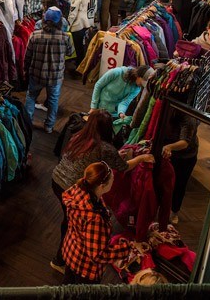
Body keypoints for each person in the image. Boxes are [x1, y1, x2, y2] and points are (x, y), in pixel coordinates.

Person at [50, 110, 154, 273]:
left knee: (69, 220)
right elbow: (124, 167)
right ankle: (61, 259)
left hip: (56, 180)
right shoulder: (105, 147)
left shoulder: (79, 136)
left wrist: (115, 156)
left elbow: (91, 158)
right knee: (71, 223)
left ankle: (64, 256)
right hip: (71, 186)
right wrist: (141, 158)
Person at [62, 161, 132, 284]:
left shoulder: (79, 188)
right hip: (85, 266)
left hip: (71, 251)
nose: (114, 180)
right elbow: (97, 255)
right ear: (101, 186)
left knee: (67, 289)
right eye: (112, 179)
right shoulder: (95, 218)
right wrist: (127, 248)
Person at [24, 7, 73, 133]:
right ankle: (49, 126)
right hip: (55, 76)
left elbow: (27, 56)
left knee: (31, 97)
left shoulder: (35, 35)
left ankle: (27, 122)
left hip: (36, 73)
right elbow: (70, 52)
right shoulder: (65, 37)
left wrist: (25, 70)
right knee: (53, 101)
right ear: (59, 22)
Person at [161, 111, 199, 224]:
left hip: (186, 156)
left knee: (179, 185)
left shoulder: (188, 116)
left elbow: (185, 142)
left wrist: (169, 147)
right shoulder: (163, 106)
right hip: (167, 150)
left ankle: (174, 211)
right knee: (162, 183)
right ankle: (160, 208)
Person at [68, 0, 98, 66]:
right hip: (89, 23)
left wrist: (68, 25)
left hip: (79, 24)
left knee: (78, 48)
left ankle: (78, 67)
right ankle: (85, 65)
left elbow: (73, 13)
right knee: (86, 47)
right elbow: (95, 7)